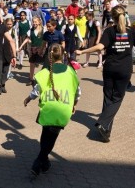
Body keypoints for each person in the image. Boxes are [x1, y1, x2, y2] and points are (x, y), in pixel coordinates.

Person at [76, 5, 135, 142]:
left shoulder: (109, 31)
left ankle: (105, 131)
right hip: (124, 70)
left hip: (110, 69)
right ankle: (103, 125)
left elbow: (100, 47)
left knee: (108, 97)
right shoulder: (131, 31)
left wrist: (82, 51)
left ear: (112, 17)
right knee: (117, 98)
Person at [23, 43, 80, 176]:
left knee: (45, 134)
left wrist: (28, 98)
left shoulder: (44, 73)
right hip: (63, 109)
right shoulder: (71, 72)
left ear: (49, 56)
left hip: (47, 108)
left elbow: (36, 91)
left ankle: (42, 161)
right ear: (63, 55)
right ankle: (40, 161)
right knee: (52, 137)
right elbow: (78, 92)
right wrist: (74, 104)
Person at [19, 16, 44, 86]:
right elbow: (27, 39)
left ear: (39, 22)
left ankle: (42, 78)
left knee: (44, 64)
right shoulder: (30, 31)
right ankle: (31, 79)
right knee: (32, 64)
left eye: (35, 21)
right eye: (33, 22)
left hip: (41, 49)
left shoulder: (43, 29)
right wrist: (21, 46)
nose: (34, 23)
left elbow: (46, 39)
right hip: (33, 49)